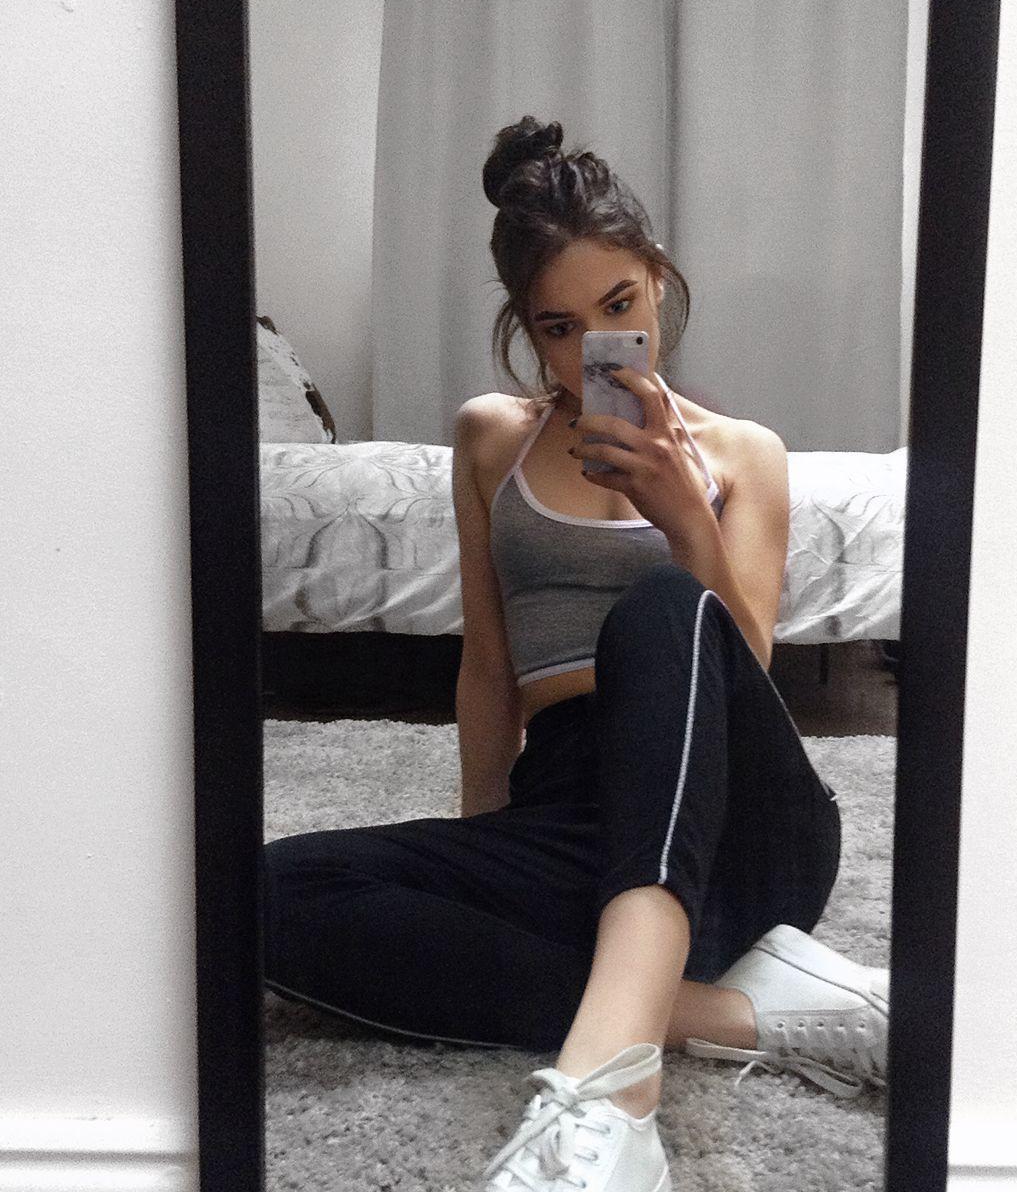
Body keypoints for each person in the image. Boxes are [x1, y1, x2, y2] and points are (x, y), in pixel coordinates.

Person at [261, 116, 890, 1191]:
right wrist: (482, 841)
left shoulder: (745, 455)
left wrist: (683, 516)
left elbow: (742, 668)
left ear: (658, 283)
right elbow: (486, 664)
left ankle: (613, 1095)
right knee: (263, 892)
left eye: (619, 306)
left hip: (737, 820)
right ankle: (744, 1012)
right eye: (560, 326)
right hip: (566, 815)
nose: (595, 343)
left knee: (659, 609)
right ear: (527, 330)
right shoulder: (490, 438)